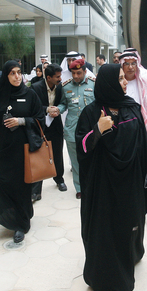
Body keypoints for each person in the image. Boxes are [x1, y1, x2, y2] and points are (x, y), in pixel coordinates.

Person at [75, 64, 147, 291]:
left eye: (125, 78)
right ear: (109, 83)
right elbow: (82, 148)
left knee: (131, 220)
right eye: (121, 78)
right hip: (103, 183)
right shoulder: (92, 113)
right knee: (105, 224)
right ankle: (105, 270)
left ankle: (132, 254)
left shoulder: (132, 107)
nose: (125, 82)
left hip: (130, 179)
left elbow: (143, 142)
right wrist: (98, 129)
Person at [0, 60, 45, 243]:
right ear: (6, 76)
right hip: (4, 150)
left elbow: (40, 119)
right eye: (12, 73)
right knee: (4, 185)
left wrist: (21, 121)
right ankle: (9, 218)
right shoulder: (0, 95)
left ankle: (21, 223)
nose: (16, 76)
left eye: (19, 72)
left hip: (23, 150)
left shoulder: (30, 94)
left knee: (21, 187)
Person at [56, 59, 96, 198]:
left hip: (90, 128)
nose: (76, 76)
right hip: (72, 128)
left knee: (91, 159)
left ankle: (92, 186)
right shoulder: (66, 86)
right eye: (73, 73)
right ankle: (80, 188)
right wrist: (58, 110)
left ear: (85, 71)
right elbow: (63, 104)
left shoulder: (93, 84)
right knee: (75, 160)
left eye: (79, 73)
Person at [29, 64, 68, 201]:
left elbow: (63, 103)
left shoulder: (60, 87)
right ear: (49, 77)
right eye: (57, 77)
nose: (60, 79)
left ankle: (59, 179)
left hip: (55, 125)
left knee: (57, 153)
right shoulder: (35, 87)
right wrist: (47, 109)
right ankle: (36, 190)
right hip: (40, 126)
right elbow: (33, 106)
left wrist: (57, 110)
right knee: (39, 156)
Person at [119, 50, 147, 134]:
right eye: (127, 64)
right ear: (121, 65)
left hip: (141, 124)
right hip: (122, 125)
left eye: (133, 63)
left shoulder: (145, 84)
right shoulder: (117, 84)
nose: (130, 67)